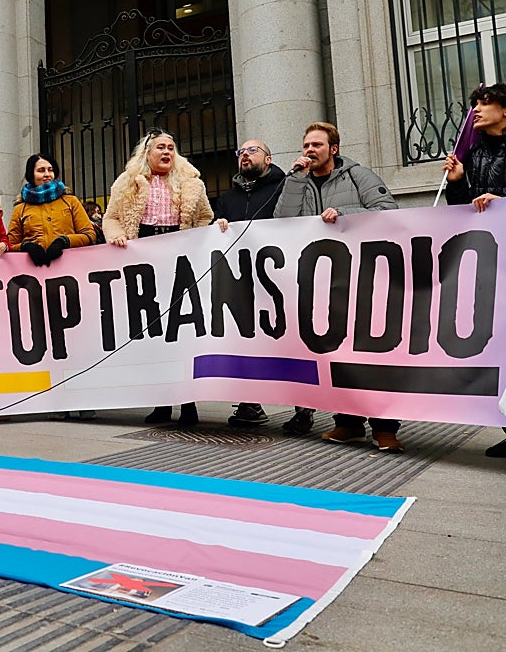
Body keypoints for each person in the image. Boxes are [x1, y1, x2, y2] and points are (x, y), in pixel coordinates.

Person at [274, 121, 402, 451]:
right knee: (334, 355)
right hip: (322, 284)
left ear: (333, 149)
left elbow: (388, 211)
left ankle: (385, 427)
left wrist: (344, 212)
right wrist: (295, 180)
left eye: (316, 145)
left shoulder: (358, 176)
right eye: (305, 146)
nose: (309, 151)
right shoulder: (297, 182)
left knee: (370, 357)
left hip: (361, 279)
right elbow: (282, 223)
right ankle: (347, 423)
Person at [103, 130, 213, 425]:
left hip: (179, 257)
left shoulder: (192, 184)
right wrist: (116, 236)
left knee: (182, 333)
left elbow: (205, 217)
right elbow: (111, 217)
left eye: (171, 148)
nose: (167, 152)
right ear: (147, 153)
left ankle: (188, 405)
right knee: (154, 334)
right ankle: (161, 404)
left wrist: (193, 239)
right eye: (160, 147)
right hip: (144, 258)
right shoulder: (126, 183)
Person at [443, 83, 506, 457]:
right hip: (491, 258)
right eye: (475, 105)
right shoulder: (477, 153)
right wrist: (457, 182)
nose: (476, 111)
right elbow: (464, 208)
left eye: (485, 103)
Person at [214, 139, 286, 428]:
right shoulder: (227, 198)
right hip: (242, 281)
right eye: (241, 151)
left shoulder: (283, 188)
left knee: (284, 340)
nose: (245, 155)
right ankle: (250, 404)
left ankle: (302, 408)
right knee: (244, 340)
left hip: (278, 277)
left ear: (268, 159)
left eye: (252, 150)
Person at [7, 154, 97, 266]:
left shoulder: (71, 201)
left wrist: (65, 241)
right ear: (31, 175)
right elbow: (10, 244)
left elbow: (89, 235)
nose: (47, 174)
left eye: (50, 170)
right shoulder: (20, 208)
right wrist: (26, 246)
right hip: (34, 272)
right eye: (41, 170)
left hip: (71, 269)